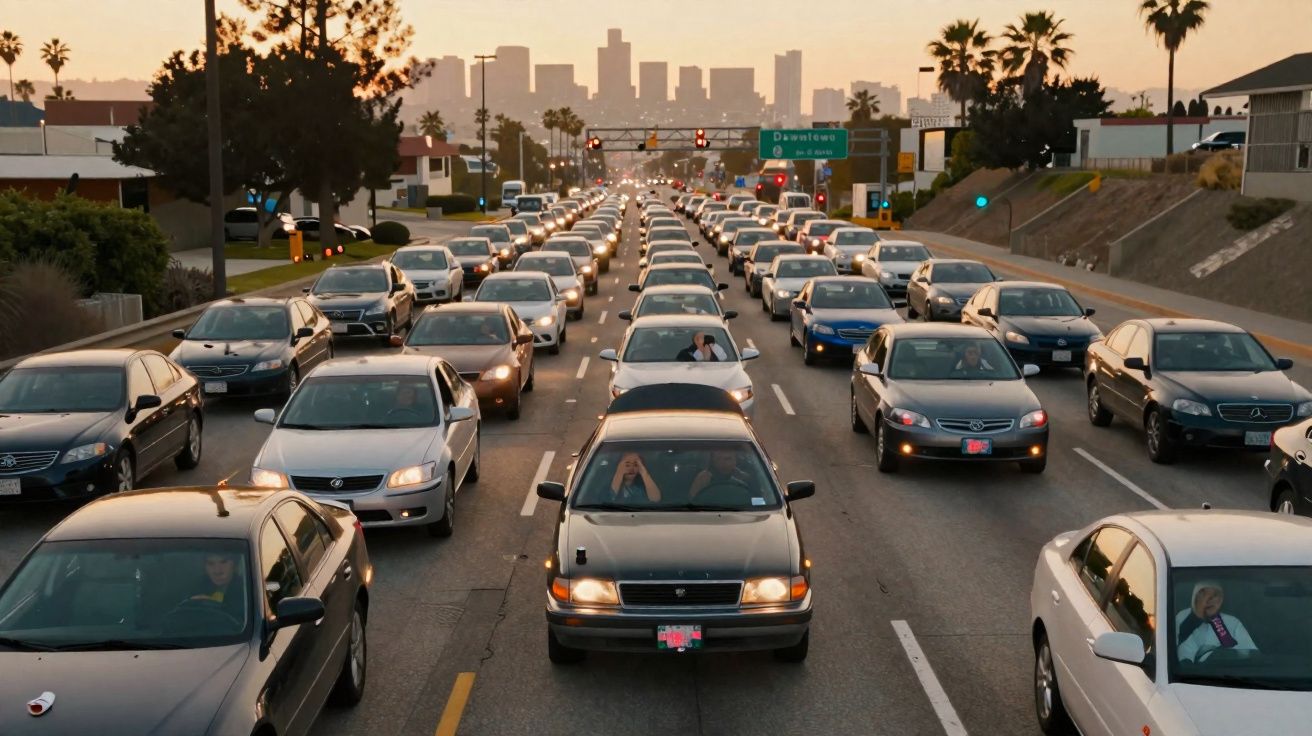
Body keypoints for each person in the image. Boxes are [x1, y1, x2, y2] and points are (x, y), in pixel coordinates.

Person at [1175, 581, 1258, 662]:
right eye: (1203, 594)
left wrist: (1219, 653)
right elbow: (1182, 657)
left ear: (1221, 599)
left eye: (1214, 595)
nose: (1208, 599)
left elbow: (1249, 656)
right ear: (1195, 597)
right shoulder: (1183, 617)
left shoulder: (1232, 622)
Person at [187, 552, 246, 623]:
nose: (217, 571)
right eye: (210, 563)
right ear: (204, 567)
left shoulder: (246, 591)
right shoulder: (197, 588)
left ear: (234, 564)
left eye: (224, 562)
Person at [688, 448, 753, 501]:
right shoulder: (703, 478)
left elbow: (756, 500)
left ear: (735, 461)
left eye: (727, 459)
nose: (722, 463)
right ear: (713, 461)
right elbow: (692, 500)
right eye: (718, 459)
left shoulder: (745, 479)